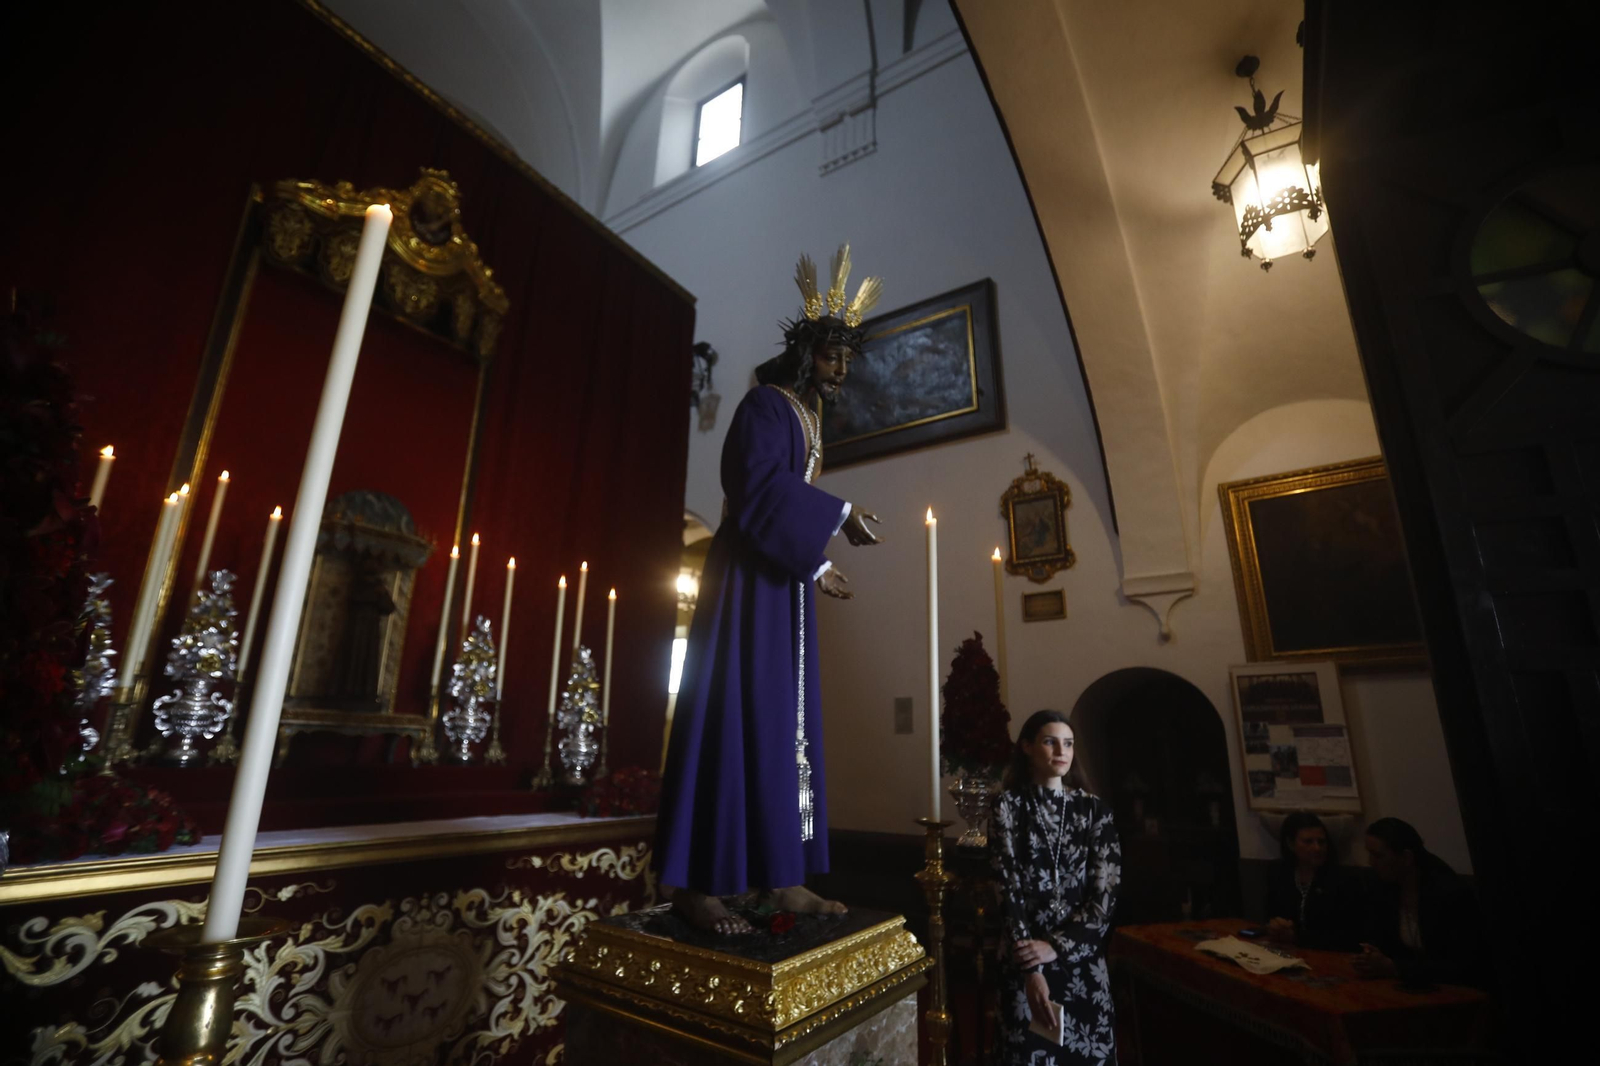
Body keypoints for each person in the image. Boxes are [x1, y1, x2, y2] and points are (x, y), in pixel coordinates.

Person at [655, 247, 884, 935]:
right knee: (734, 715)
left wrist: (817, 554)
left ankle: (785, 878)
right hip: (748, 584)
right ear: (805, 350)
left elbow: (786, 496)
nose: (840, 367)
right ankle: (702, 885)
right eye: (830, 353)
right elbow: (755, 489)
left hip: (782, 582)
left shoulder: (811, 425)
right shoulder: (764, 404)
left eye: (847, 357)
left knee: (789, 725)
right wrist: (834, 526)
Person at [990, 710, 1121, 1065]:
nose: (1061, 751)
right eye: (1050, 741)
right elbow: (1008, 888)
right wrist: (1032, 966)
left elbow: (1104, 897)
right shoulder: (1007, 807)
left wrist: (1058, 947)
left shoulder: (1095, 811)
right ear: (1028, 748)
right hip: (1025, 959)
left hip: (1082, 962)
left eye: (1068, 743)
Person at [1354, 817, 1485, 988]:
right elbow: (1380, 938)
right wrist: (1371, 955)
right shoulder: (1385, 887)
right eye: (1369, 854)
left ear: (1407, 857)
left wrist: (1394, 967)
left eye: (1378, 855)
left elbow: (1465, 965)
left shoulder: (1449, 893)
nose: (1370, 862)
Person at [1264, 812, 1363, 950]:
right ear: (1290, 844)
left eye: (1321, 842)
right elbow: (1271, 914)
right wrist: (1277, 925)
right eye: (1308, 841)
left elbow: (1346, 934)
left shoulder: (1342, 879)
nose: (1317, 848)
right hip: (1287, 951)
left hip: (1329, 955)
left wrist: (1297, 936)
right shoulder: (1279, 872)